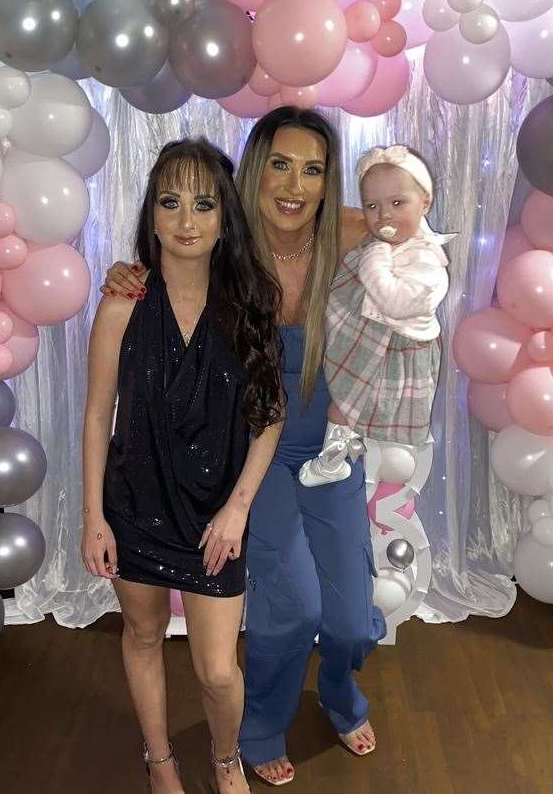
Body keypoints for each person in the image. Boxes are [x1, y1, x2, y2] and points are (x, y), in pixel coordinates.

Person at [103, 108, 386, 788]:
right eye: (280, 164)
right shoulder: (230, 243)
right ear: (254, 172)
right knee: (294, 606)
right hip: (259, 453)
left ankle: (343, 692)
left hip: (330, 448)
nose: (294, 183)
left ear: (327, 181)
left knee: (349, 615)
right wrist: (124, 273)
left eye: (313, 168)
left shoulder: (347, 234)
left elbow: (416, 230)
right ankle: (257, 725)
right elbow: (170, 268)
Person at [83, 138, 283, 794]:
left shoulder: (250, 304)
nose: (186, 220)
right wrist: (94, 518)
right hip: (135, 504)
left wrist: (238, 507)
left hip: (213, 515)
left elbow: (269, 414)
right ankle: (160, 758)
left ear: (226, 216)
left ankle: (225, 757)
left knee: (218, 671)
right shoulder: (122, 304)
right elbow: (96, 416)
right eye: (170, 201)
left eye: (203, 203)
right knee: (141, 635)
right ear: (151, 212)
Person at [299, 144, 451, 487]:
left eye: (398, 203)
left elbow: (396, 303)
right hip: (368, 337)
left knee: (346, 408)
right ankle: (345, 450)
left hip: (394, 350)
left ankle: (334, 461)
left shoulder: (426, 261)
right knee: (341, 403)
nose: (384, 216)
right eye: (372, 205)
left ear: (424, 202)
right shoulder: (382, 245)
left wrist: (374, 262)